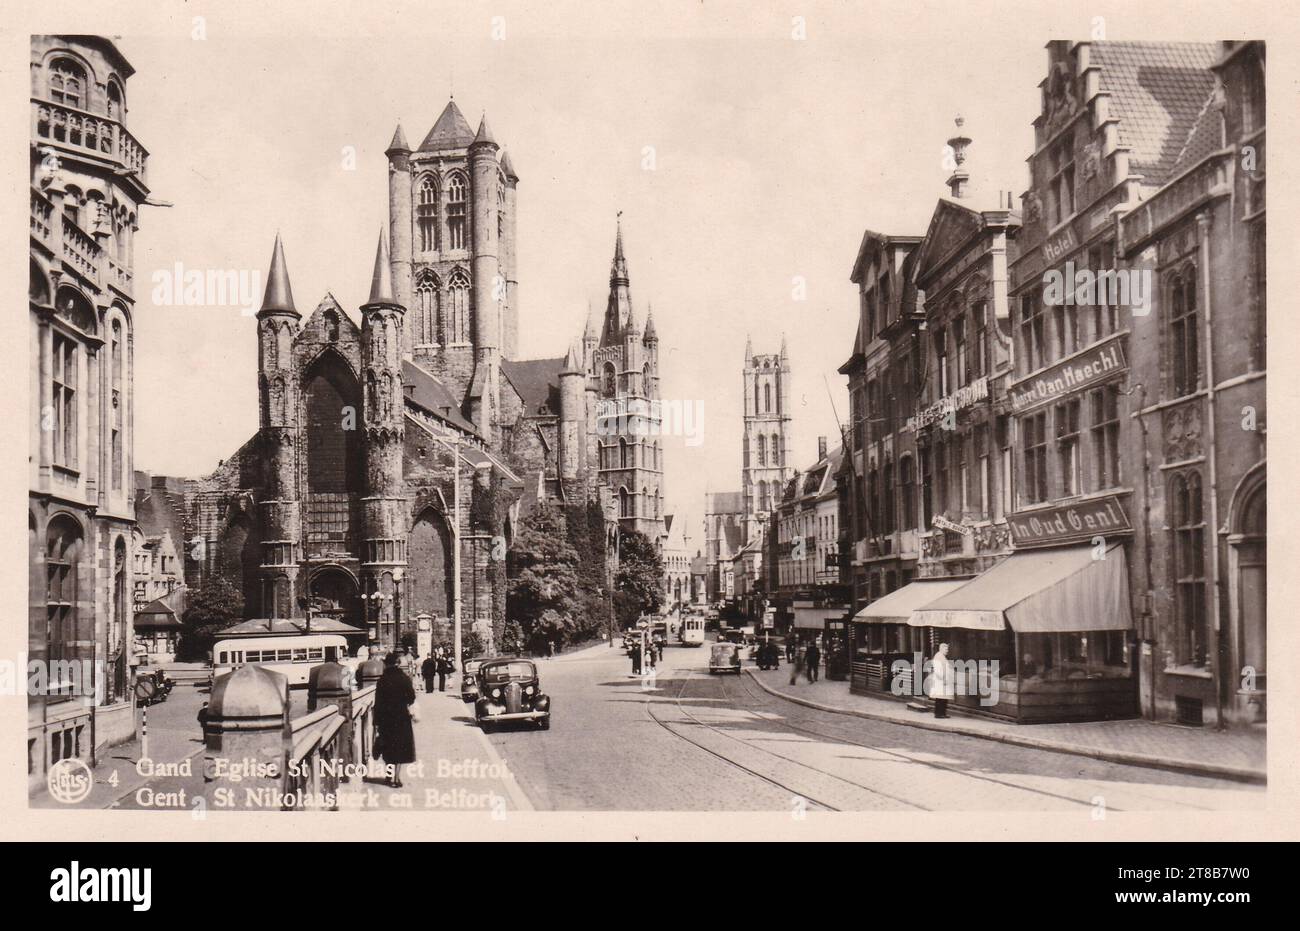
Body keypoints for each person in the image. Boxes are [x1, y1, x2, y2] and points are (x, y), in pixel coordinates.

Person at [374, 652, 417, 787]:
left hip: (385, 719)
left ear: (386, 664)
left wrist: (376, 722)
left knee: (388, 748)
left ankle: (388, 775)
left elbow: (378, 703)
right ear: (397, 663)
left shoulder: (382, 680)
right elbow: (411, 697)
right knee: (400, 748)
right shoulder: (404, 678)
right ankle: (396, 779)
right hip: (401, 718)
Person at [930, 642, 954, 718]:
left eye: (947, 649)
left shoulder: (942, 656)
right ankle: (938, 714)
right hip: (941, 681)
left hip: (943, 681)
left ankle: (942, 713)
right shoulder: (938, 657)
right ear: (941, 649)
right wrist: (943, 679)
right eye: (945, 649)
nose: (947, 651)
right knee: (940, 698)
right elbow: (938, 670)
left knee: (943, 698)